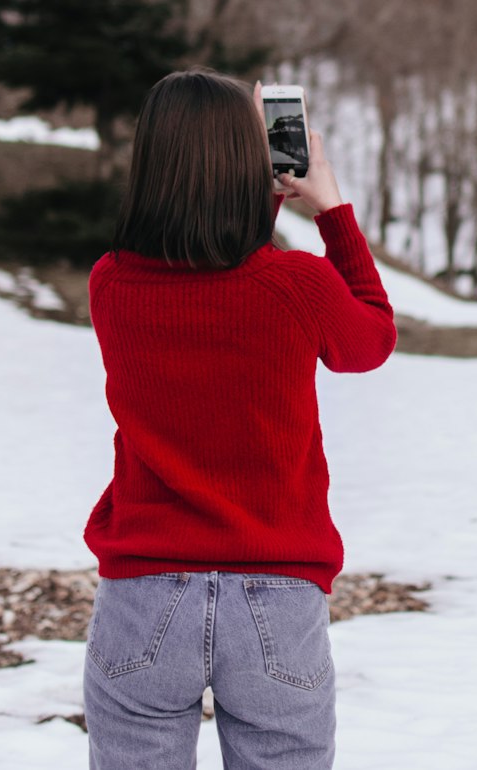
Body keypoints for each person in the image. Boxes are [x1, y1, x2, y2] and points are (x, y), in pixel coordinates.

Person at [82, 68, 396, 770]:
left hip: (144, 590)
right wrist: (329, 208)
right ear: (250, 169)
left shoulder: (112, 285)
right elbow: (369, 339)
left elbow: (208, 278)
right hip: (277, 595)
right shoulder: (299, 288)